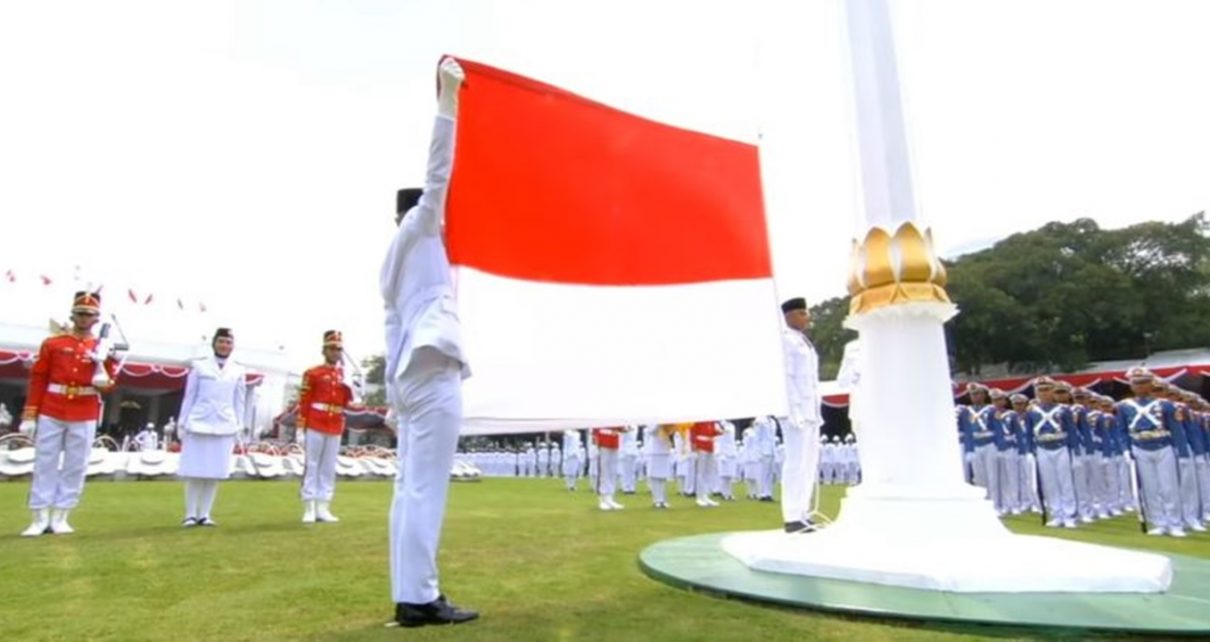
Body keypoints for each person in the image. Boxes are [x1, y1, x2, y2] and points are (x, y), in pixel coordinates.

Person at [381, 57, 477, 628]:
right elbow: (438, 170)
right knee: (425, 490)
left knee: (408, 489)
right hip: (433, 368)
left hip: (409, 375)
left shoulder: (391, 262)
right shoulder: (419, 228)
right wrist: (449, 98)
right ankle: (420, 597)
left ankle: (409, 593)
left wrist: (394, 398)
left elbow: (392, 331)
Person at [19, 291, 117, 537]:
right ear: (72, 315)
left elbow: (109, 382)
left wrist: (103, 376)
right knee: (45, 462)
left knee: (77, 463)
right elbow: (39, 377)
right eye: (80, 314)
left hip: (84, 408)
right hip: (53, 405)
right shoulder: (54, 343)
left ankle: (62, 514)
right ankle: (39, 515)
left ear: (96, 319)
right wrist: (30, 414)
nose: (84, 318)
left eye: (89, 315)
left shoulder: (103, 346)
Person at [177, 327, 246, 527]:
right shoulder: (199, 366)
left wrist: (239, 425)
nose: (224, 346)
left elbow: (239, 400)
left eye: (228, 342)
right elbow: (189, 396)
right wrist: (183, 422)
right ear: (214, 343)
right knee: (194, 471)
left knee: (215, 472)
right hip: (199, 421)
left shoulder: (238, 370)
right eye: (221, 341)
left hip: (225, 422)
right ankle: (190, 514)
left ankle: (205, 514)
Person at [1115, 368, 1185, 537]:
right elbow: (1121, 430)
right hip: (1140, 447)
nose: (1140, 386)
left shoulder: (1165, 405)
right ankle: (1159, 522)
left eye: (1144, 382)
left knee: (1169, 487)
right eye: (1136, 383)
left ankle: (1175, 523)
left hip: (1163, 446)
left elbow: (1176, 429)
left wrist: (1180, 451)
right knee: (1150, 488)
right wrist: (1125, 450)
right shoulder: (1124, 406)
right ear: (1131, 386)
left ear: (1150, 384)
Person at [298, 330, 356, 523]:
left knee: (328, 467)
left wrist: (353, 386)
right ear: (324, 350)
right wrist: (301, 426)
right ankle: (309, 506)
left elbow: (349, 401)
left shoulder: (344, 375)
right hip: (316, 420)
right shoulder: (313, 373)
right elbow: (304, 400)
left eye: (339, 349)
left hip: (335, 422)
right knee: (312, 464)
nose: (335, 352)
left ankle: (324, 506)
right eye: (332, 348)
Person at [778, 297, 823, 533]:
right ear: (789, 316)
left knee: (808, 462)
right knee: (796, 462)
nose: (807, 318)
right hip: (795, 411)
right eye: (802, 313)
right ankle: (792, 515)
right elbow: (787, 377)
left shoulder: (803, 341)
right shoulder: (785, 340)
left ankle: (803, 512)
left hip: (810, 411)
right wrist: (794, 409)